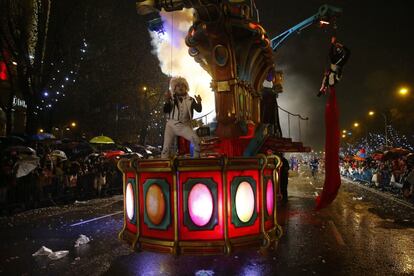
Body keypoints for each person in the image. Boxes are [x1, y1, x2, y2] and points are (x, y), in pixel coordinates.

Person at [161, 76, 202, 158]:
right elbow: (166, 110)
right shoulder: (171, 99)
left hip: (184, 126)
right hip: (171, 125)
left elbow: (199, 110)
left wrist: (199, 102)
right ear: (174, 88)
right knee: (166, 147)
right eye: (178, 86)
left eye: (182, 85)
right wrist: (167, 101)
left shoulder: (191, 99)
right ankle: (164, 165)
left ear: (186, 87)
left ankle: (196, 160)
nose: (180, 87)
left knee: (196, 141)